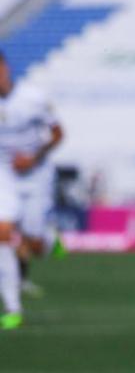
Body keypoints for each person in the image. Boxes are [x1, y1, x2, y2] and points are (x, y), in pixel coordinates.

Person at [0, 49, 63, 329]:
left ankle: (49, 239)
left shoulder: (33, 98)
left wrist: (34, 157)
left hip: (36, 173)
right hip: (4, 174)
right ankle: (13, 308)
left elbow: (58, 134)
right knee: (3, 234)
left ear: (5, 68)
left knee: (33, 243)